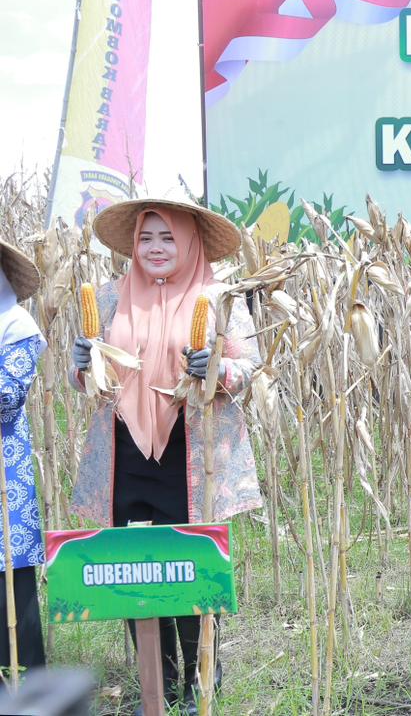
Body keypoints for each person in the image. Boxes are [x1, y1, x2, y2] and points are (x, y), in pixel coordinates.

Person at [69, 199, 262, 715]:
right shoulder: (110, 298)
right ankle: (158, 684)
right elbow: (89, 377)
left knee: (189, 564)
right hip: (126, 452)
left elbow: (251, 369)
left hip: (190, 453)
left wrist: (218, 368)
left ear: (189, 241)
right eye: (146, 238)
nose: (155, 248)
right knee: (136, 568)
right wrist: (81, 365)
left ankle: (201, 685)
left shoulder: (218, 298)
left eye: (167, 238)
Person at [0, 240, 47, 679]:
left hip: (3, 477)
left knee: (10, 590)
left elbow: (7, 397)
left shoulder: (16, 325)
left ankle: (27, 689)